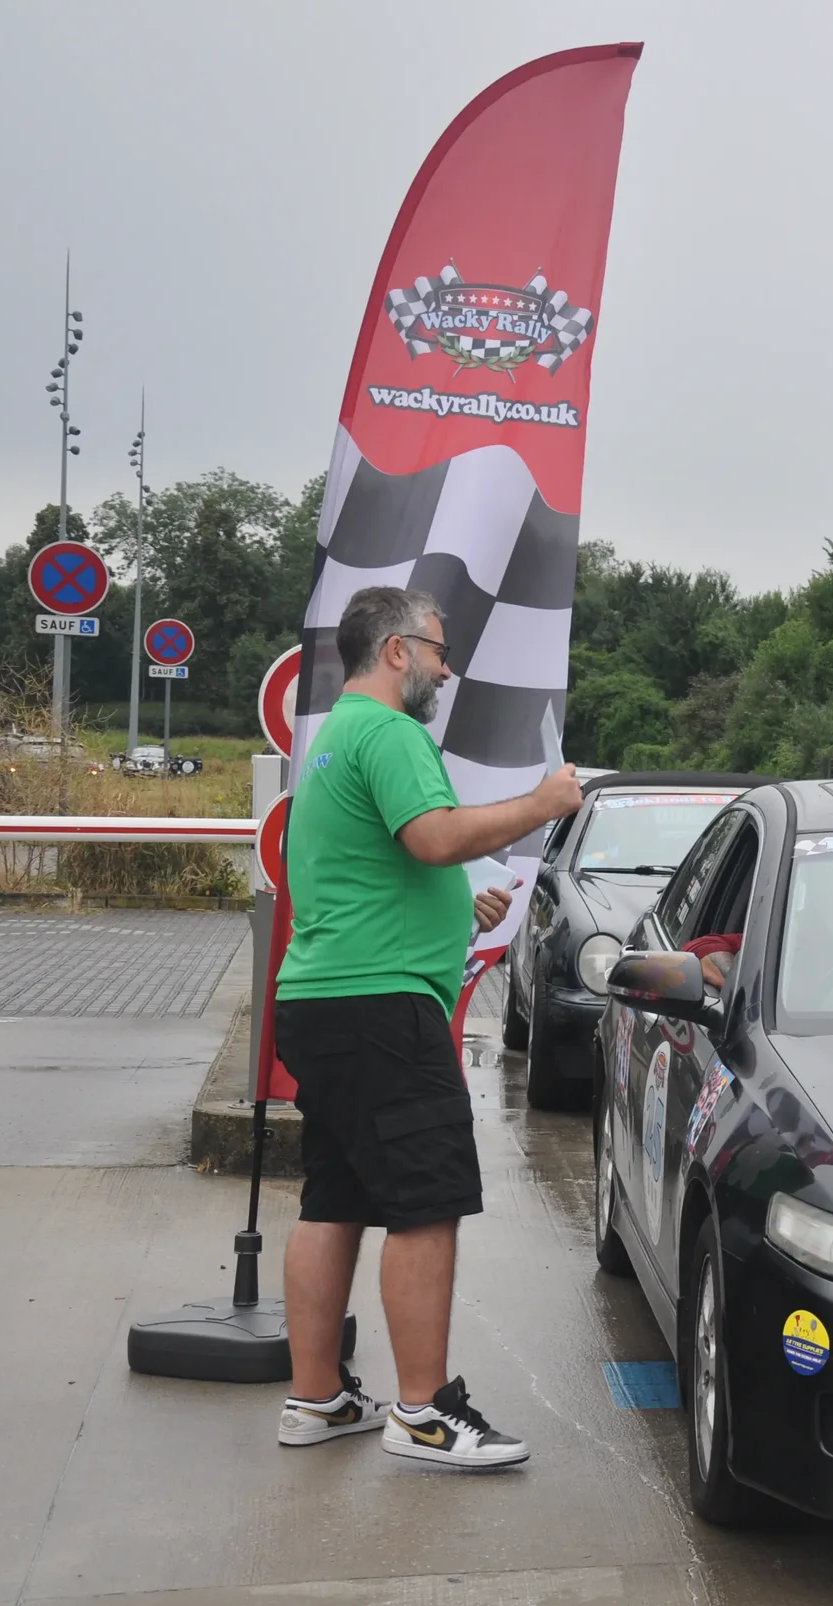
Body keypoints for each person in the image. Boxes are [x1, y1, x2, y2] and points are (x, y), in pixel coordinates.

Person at [272, 586, 583, 1469]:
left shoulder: (334, 740)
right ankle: (424, 1413)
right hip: (380, 1009)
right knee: (427, 1202)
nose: (447, 669)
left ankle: (319, 1399)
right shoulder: (392, 732)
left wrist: (458, 907)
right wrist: (541, 802)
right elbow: (435, 836)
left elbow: (396, 862)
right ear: (397, 651)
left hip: (327, 1002)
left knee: (334, 1198)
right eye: (440, 652)